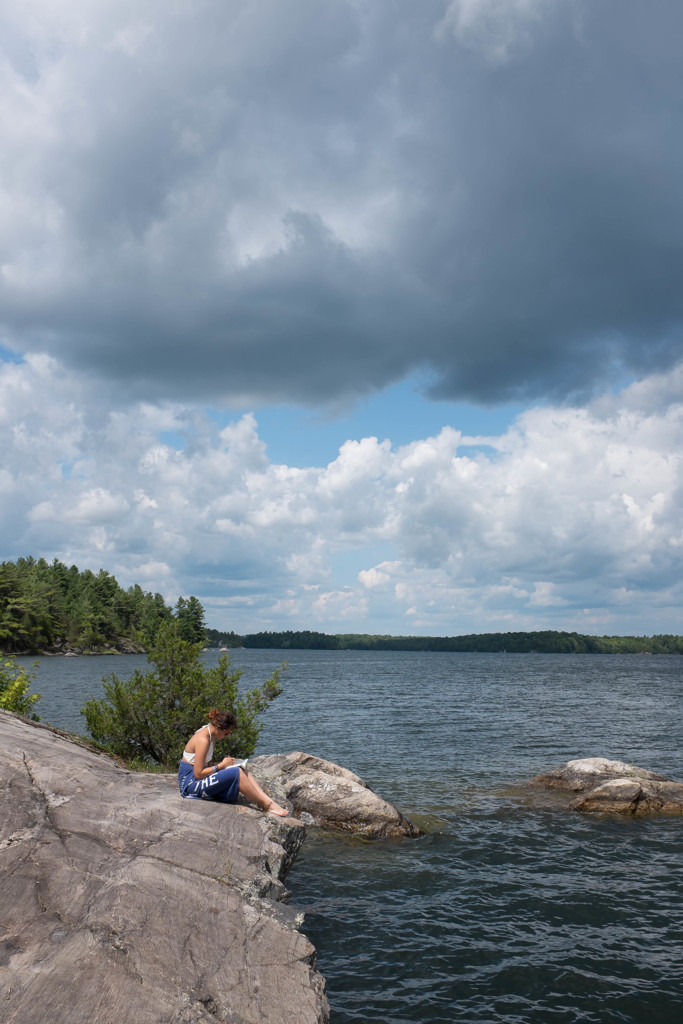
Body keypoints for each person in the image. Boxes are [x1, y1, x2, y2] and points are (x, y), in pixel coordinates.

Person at [178, 708, 289, 816]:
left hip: (197, 779)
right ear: (219, 727)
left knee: (241, 768)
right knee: (236, 773)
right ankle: (267, 805)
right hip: (190, 785)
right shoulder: (203, 740)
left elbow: (202, 764)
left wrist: (225, 764)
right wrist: (221, 765)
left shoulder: (211, 735)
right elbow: (198, 774)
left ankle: (269, 801)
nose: (226, 736)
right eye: (227, 733)